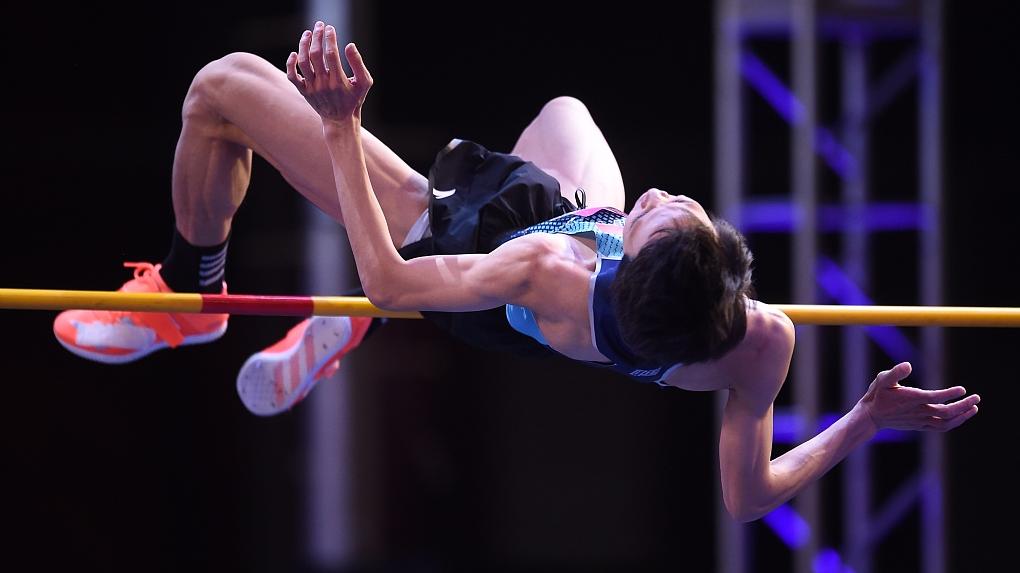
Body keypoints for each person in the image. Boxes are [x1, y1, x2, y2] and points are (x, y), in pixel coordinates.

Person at [53, 22, 980, 522]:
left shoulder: (543, 266)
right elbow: (746, 499)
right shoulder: (758, 340)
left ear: (622, 258)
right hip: (564, 245)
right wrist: (859, 421)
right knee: (567, 112)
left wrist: (339, 123)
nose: (664, 194)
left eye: (661, 214)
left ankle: (192, 294)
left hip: (467, 257)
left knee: (221, 89)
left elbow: (384, 275)